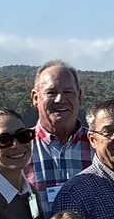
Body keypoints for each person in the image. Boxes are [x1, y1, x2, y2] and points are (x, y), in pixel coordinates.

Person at [27, 61, 92, 208]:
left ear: (79, 97)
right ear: (35, 98)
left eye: (68, 92)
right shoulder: (18, 148)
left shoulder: (100, 146)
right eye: (51, 92)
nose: (60, 99)